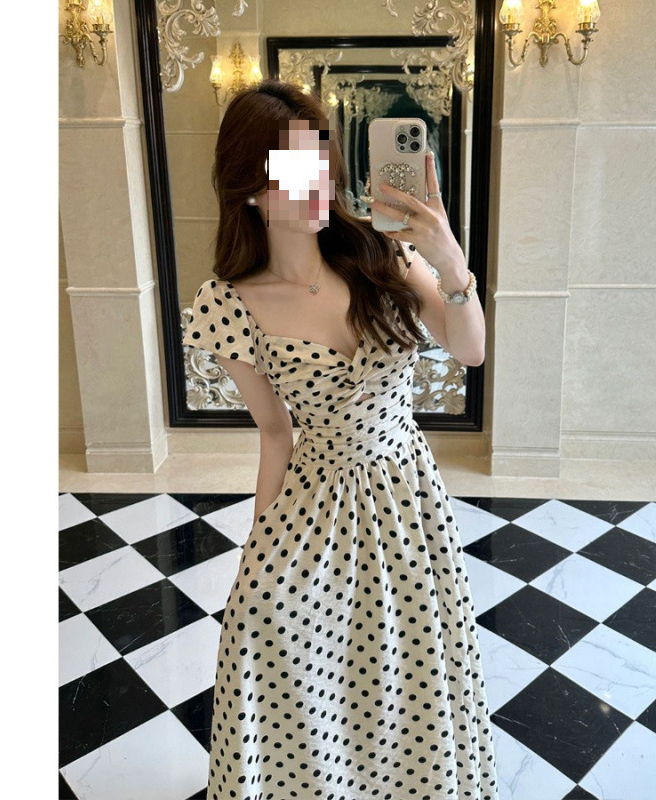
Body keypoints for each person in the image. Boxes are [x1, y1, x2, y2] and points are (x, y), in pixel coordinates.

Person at [182, 78, 498, 800]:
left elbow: (471, 349)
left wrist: (450, 262)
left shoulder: (383, 256)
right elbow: (274, 434)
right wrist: (257, 552)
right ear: (251, 187)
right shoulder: (228, 304)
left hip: (405, 500)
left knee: (410, 669)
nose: (319, 179)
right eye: (296, 166)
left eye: (321, 160)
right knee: (283, 651)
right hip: (314, 506)